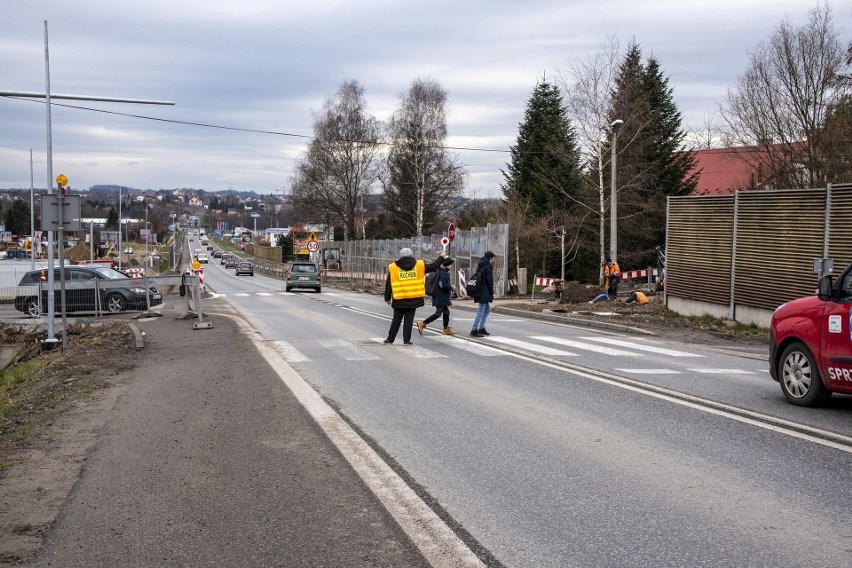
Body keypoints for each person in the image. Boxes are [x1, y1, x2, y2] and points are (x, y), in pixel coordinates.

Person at [383, 248, 444, 345]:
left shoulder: (393, 267)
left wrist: (387, 298)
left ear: (401, 255)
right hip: (413, 298)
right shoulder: (419, 265)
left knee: (396, 320)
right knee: (409, 320)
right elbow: (433, 266)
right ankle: (406, 340)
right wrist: (441, 257)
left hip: (399, 298)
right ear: (411, 255)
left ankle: (390, 339)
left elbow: (388, 284)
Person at [417, 257, 457, 336]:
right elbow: (441, 285)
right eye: (450, 264)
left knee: (446, 312)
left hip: (443, 297)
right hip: (440, 296)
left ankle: (446, 329)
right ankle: (422, 323)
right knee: (438, 313)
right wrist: (451, 287)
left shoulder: (444, 272)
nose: (451, 266)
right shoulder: (443, 273)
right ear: (447, 265)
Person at [470, 251, 496, 337]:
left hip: (480, 289)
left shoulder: (481, 265)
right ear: (490, 258)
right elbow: (489, 281)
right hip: (484, 290)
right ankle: (474, 329)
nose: (493, 259)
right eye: (493, 257)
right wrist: (491, 291)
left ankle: (481, 327)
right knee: (481, 310)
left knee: (487, 309)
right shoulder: (488, 267)